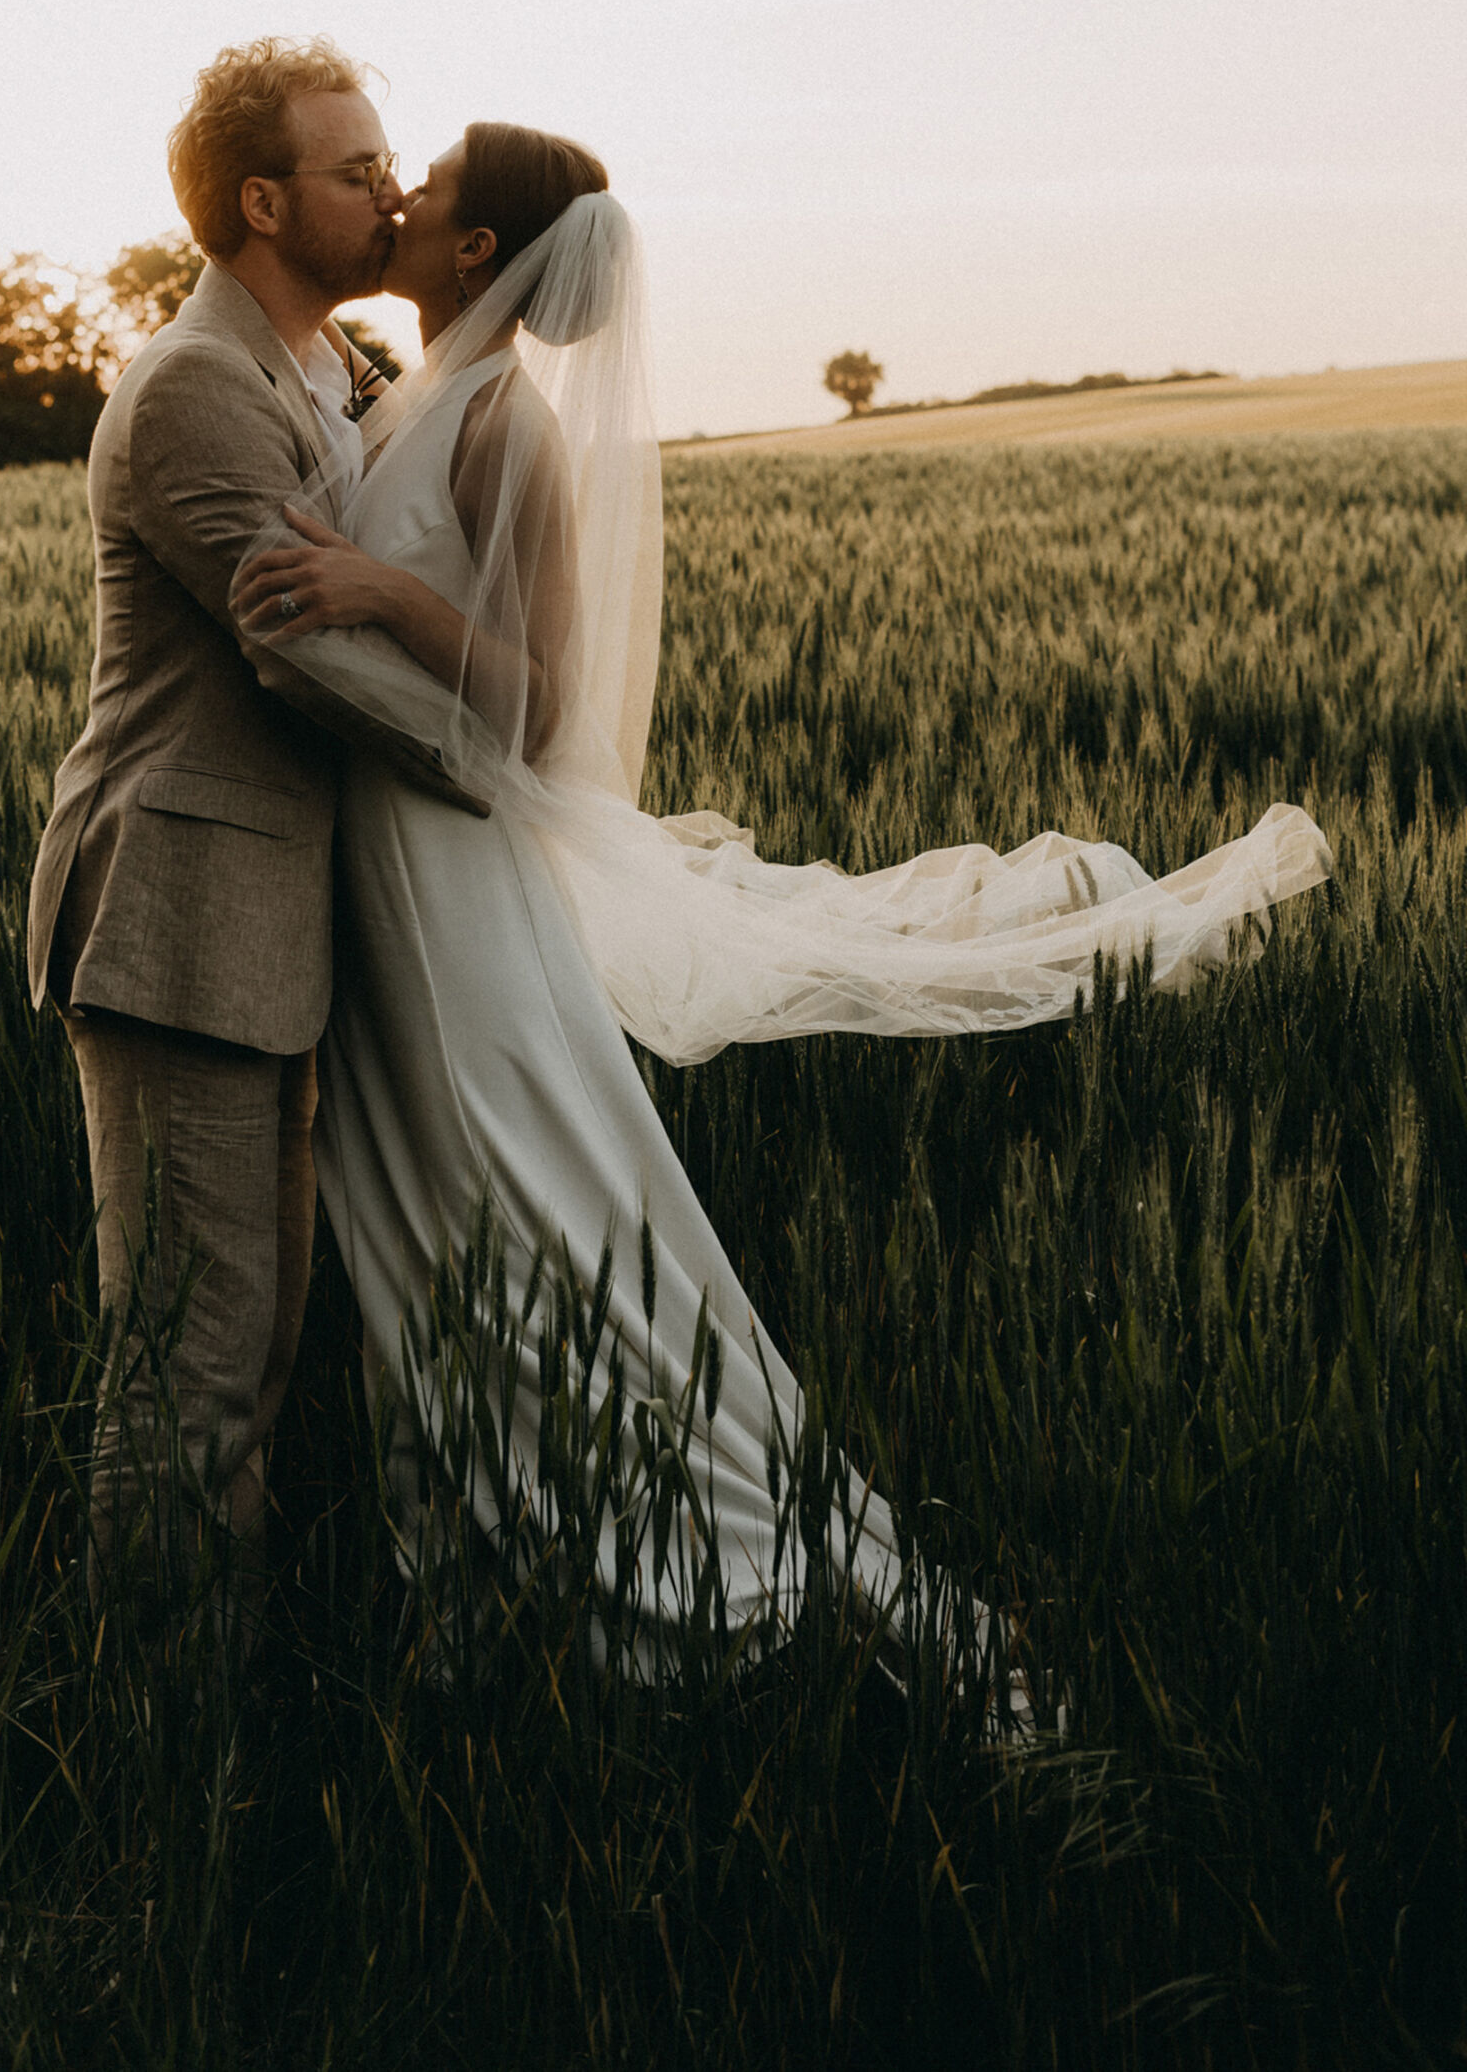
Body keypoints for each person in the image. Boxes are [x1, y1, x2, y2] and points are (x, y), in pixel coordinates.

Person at [231, 123, 1334, 1695]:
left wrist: (381, 594)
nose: (397, 196)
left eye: (432, 187)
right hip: (384, 868)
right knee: (428, 1222)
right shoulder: (402, 391)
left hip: (452, 883)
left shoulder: (504, 428)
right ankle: (483, 1559)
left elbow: (547, 719)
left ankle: (692, 1551)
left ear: (478, 252)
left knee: (523, 1205)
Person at [28, 34, 468, 1635]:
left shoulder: (325, 374)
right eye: (359, 171)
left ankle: (217, 1716)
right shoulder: (199, 387)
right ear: (266, 202)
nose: (394, 190)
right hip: (179, 914)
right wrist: (512, 758)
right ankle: (164, 1771)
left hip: (263, 924)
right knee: (190, 1369)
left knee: (254, 1350)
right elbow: (301, 644)